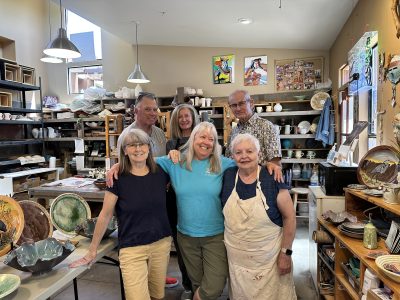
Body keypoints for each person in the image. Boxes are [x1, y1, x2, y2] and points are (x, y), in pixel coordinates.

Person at [70, 129, 172, 300]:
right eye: (132, 145)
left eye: (142, 144)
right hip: (132, 249)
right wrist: (92, 251)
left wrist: (174, 153)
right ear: (125, 150)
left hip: (161, 244)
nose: (138, 149)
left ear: (149, 147)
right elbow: (105, 214)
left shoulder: (161, 172)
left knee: (157, 295)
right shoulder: (117, 178)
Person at [157, 122, 235, 300]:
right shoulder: (176, 162)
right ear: (193, 139)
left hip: (215, 235)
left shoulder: (223, 163)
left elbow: (249, 162)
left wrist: (271, 167)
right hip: (186, 237)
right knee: (197, 284)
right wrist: (117, 166)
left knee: (212, 288)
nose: (206, 142)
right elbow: (142, 162)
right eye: (202, 137)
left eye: (211, 139)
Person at [221, 133, 297, 299]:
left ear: (259, 154)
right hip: (238, 264)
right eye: (238, 152)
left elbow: (290, 217)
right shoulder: (227, 176)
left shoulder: (272, 177)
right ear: (232, 156)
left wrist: (286, 253)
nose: (244, 156)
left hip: (270, 263)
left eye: (249, 151)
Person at [166, 104, 200, 299]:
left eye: (187, 116)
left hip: (198, 197)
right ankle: (188, 286)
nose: (185, 120)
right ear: (176, 121)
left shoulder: (202, 139)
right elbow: (168, 169)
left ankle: (202, 286)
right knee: (182, 246)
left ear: (193, 118)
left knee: (199, 245)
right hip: (176, 200)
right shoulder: (171, 144)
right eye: (181, 117)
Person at [225, 89, 283, 182]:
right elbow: (228, 160)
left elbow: (275, 162)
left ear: (251, 103)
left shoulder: (266, 126)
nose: (238, 108)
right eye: (234, 105)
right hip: (236, 182)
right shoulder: (234, 131)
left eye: (241, 103)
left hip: (260, 182)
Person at [117, 92, 166, 157]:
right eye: (147, 109)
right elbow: (123, 166)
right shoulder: (126, 136)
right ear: (136, 111)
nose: (153, 113)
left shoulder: (160, 133)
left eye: (155, 110)